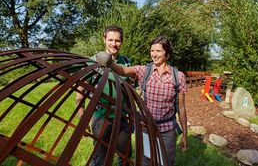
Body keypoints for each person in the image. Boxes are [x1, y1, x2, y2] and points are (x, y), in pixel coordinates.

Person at [96, 36, 188, 166]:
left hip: (167, 130)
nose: (154, 55)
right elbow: (123, 70)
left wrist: (184, 134)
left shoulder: (178, 77)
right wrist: (110, 63)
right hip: (146, 128)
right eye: (152, 51)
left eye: (158, 51)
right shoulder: (145, 71)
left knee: (166, 162)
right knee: (146, 162)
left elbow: (181, 108)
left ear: (167, 54)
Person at [75, 25, 132, 166]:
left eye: (117, 41)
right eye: (110, 40)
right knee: (101, 158)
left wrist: (131, 116)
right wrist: (82, 116)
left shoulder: (126, 62)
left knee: (125, 156)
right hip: (101, 117)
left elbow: (128, 91)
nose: (114, 44)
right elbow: (81, 90)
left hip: (122, 117)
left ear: (122, 42)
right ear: (104, 39)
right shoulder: (92, 62)